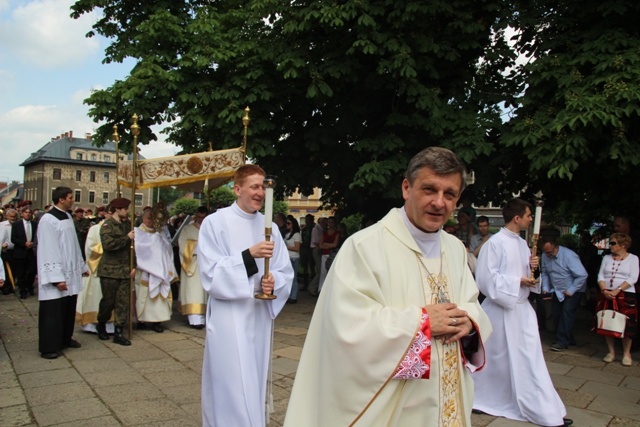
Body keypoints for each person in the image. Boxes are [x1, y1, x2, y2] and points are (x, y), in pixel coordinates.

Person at [284, 147, 491, 426]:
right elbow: (347, 329)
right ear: (407, 188)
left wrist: (469, 323)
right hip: (398, 406)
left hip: (448, 396)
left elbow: (471, 303)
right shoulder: (365, 247)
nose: (439, 203)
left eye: (449, 194)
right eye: (429, 189)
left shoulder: (454, 249)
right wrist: (423, 323)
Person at [197, 164, 293, 427]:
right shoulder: (215, 223)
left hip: (258, 315)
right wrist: (249, 256)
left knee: (252, 378)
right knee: (231, 381)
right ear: (237, 189)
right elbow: (211, 273)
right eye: (254, 186)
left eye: (263, 186)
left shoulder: (269, 226)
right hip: (230, 315)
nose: (260, 192)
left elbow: (285, 270)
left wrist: (273, 282)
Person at [472, 198, 571, 427]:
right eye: (529, 215)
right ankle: (482, 397)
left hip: (520, 310)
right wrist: (518, 280)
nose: (530, 219)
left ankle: (542, 407)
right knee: (497, 360)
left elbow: (527, 277)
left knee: (528, 359)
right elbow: (486, 279)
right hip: (501, 310)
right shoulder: (494, 244)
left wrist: (531, 267)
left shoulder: (523, 244)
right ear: (517, 218)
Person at [36, 187, 88, 359]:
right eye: (70, 197)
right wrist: (56, 278)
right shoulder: (48, 220)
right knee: (53, 312)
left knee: (67, 309)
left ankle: (65, 338)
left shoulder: (66, 216)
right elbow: (48, 249)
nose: (73, 200)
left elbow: (73, 244)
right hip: (58, 274)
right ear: (61, 199)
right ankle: (49, 346)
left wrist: (81, 267)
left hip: (70, 272)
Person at [96, 198, 136, 346]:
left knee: (122, 302)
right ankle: (101, 324)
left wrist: (134, 265)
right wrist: (126, 237)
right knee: (108, 301)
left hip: (125, 270)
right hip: (110, 271)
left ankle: (119, 331)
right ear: (117, 210)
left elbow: (132, 248)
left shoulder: (127, 225)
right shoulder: (107, 226)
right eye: (125, 208)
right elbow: (109, 245)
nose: (127, 211)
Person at [597, 232, 639, 366]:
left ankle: (626, 353)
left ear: (624, 245)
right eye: (610, 242)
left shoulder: (633, 259)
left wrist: (617, 290)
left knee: (627, 324)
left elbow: (633, 278)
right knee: (608, 321)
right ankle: (611, 352)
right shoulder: (607, 258)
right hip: (607, 294)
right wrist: (604, 290)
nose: (611, 245)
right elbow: (601, 276)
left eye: (613, 243)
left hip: (625, 295)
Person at [540, 237, 588, 352]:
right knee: (556, 314)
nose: (548, 255)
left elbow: (582, 275)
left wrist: (571, 290)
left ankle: (562, 341)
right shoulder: (545, 256)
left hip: (574, 289)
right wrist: (546, 288)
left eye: (550, 252)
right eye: (546, 252)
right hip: (558, 289)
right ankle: (568, 339)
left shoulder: (569, 256)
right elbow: (545, 273)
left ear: (555, 247)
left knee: (566, 313)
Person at [134, 206, 177, 333]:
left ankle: (157, 321)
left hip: (159, 271)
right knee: (142, 296)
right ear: (143, 218)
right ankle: (141, 320)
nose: (150, 221)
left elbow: (167, 250)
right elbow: (137, 249)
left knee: (158, 297)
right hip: (144, 271)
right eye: (148, 218)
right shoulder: (138, 232)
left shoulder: (160, 233)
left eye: (153, 218)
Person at [76, 208, 115, 334]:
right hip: (98, 268)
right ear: (107, 213)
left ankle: (111, 324)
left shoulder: (119, 228)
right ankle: (93, 323)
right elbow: (90, 248)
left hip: (114, 269)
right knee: (97, 295)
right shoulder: (95, 229)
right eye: (111, 213)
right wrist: (109, 249)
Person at [178, 207, 208, 329]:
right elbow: (182, 245)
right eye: (199, 217)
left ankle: (204, 318)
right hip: (192, 264)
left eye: (203, 217)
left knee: (204, 293)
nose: (201, 220)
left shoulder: (210, 229)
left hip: (206, 265)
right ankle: (194, 320)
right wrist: (198, 246)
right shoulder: (187, 229)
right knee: (193, 292)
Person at [12, 206, 37, 299]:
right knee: (21, 273)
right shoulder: (16, 225)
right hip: (20, 252)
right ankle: (23, 291)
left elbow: (37, 237)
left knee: (32, 271)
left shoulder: (35, 224)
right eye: (26, 212)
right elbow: (13, 238)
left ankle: (29, 286)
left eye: (29, 212)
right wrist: (24, 243)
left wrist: (32, 244)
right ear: (22, 214)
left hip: (31, 252)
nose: (27, 214)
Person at [317, 216, 339, 293]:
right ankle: (321, 290)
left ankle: (331, 290)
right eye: (329, 222)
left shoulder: (336, 233)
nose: (330, 224)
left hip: (332, 254)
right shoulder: (324, 232)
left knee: (331, 272)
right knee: (323, 272)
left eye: (331, 222)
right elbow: (320, 245)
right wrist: (329, 245)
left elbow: (335, 244)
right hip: (324, 253)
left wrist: (326, 244)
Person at [306, 217, 326, 296]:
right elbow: (315, 241)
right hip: (316, 249)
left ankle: (314, 287)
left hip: (319, 249)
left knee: (320, 270)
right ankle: (312, 287)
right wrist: (323, 245)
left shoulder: (320, 229)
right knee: (320, 270)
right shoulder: (316, 229)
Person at [284, 216, 302, 304]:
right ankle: (289, 295)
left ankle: (293, 296)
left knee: (293, 278)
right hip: (288, 257)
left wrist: (286, 247)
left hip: (294, 258)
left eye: (288, 223)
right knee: (288, 277)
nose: (286, 225)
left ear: (293, 224)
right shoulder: (287, 234)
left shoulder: (296, 235)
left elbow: (297, 248)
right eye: (286, 223)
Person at [0, 208, 18, 295]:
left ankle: (11, 285)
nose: (13, 218)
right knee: (4, 270)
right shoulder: (2, 225)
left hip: (14, 250)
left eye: (14, 217)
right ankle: (4, 287)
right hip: (3, 251)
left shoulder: (18, 225)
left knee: (14, 269)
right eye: (11, 216)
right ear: (7, 216)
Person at [299, 214, 315, 289]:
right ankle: (305, 284)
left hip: (311, 249)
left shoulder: (314, 228)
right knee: (304, 267)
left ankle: (312, 284)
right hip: (304, 249)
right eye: (306, 220)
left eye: (308, 220)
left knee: (312, 267)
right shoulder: (304, 229)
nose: (307, 221)